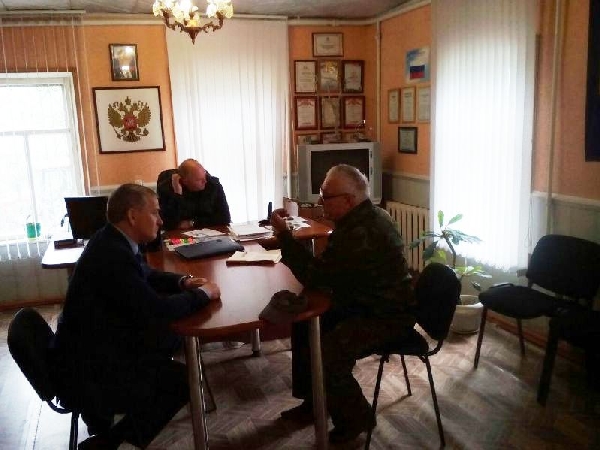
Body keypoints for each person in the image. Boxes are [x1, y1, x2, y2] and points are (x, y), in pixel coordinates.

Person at [51, 183, 221, 450]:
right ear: (132, 216)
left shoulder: (113, 239)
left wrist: (183, 282)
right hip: (91, 368)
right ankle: (111, 444)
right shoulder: (112, 254)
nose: (161, 220)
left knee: (172, 341)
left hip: (96, 347)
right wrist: (203, 294)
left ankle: (113, 433)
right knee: (183, 380)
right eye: (155, 212)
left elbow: (145, 274)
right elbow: (156, 311)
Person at [270, 164, 416, 444]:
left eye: (326, 196)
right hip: (365, 301)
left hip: (386, 315)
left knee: (328, 351)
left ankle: (356, 419)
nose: (320, 200)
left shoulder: (360, 232)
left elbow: (315, 276)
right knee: (305, 323)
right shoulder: (364, 218)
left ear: (349, 200)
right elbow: (327, 273)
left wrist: (285, 237)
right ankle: (316, 402)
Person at [157, 158, 231, 230]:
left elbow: (225, 218)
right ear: (185, 181)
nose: (205, 181)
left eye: (204, 176)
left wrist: (192, 223)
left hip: (210, 233)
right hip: (179, 235)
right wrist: (177, 194)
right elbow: (167, 223)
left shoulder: (213, 185)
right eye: (199, 179)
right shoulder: (167, 188)